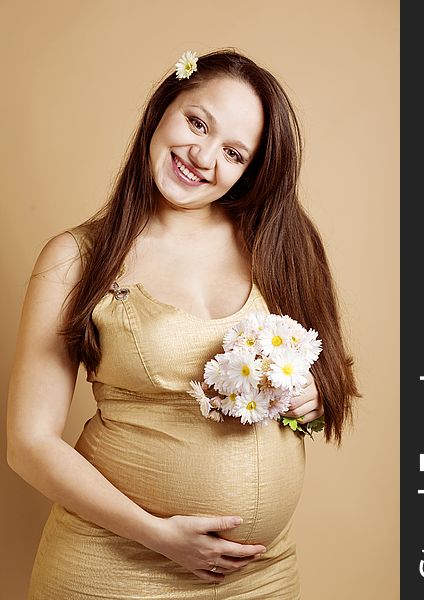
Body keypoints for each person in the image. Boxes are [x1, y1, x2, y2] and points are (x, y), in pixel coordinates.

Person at [6, 48, 359, 599]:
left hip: (261, 577)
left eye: (234, 153)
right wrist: (157, 536)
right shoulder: (76, 258)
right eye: (198, 122)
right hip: (116, 567)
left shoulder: (281, 245)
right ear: (163, 107)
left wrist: (315, 393)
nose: (203, 156)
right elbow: (28, 442)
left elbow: (325, 379)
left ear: (249, 172)